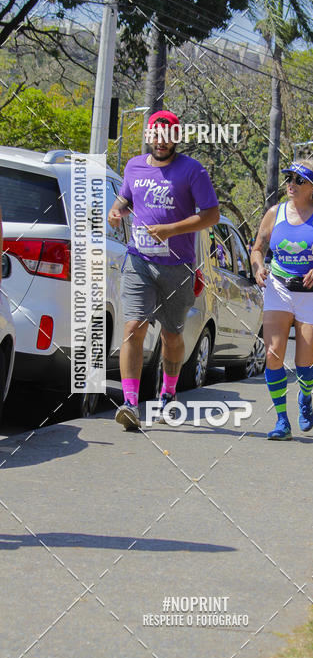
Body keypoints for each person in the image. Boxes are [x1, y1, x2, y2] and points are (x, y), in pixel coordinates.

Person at [107, 110, 220, 431]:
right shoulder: (133, 166)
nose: (160, 141)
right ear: (149, 136)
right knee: (133, 328)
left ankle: (168, 392)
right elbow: (125, 200)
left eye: (167, 135)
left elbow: (211, 215)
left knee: (172, 336)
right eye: (155, 135)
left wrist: (171, 230)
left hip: (178, 266)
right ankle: (130, 403)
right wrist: (117, 211)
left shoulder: (192, 170)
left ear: (175, 138)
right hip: (139, 260)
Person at [250, 160, 313, 440]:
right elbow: (257, 248)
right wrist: (259, 268)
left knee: (304, 365)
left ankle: (305, 395)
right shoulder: (275, 213)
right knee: (272, 355)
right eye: (288, 178)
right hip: (279, 288)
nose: (291, 184)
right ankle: (282, 420)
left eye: (299, 180)